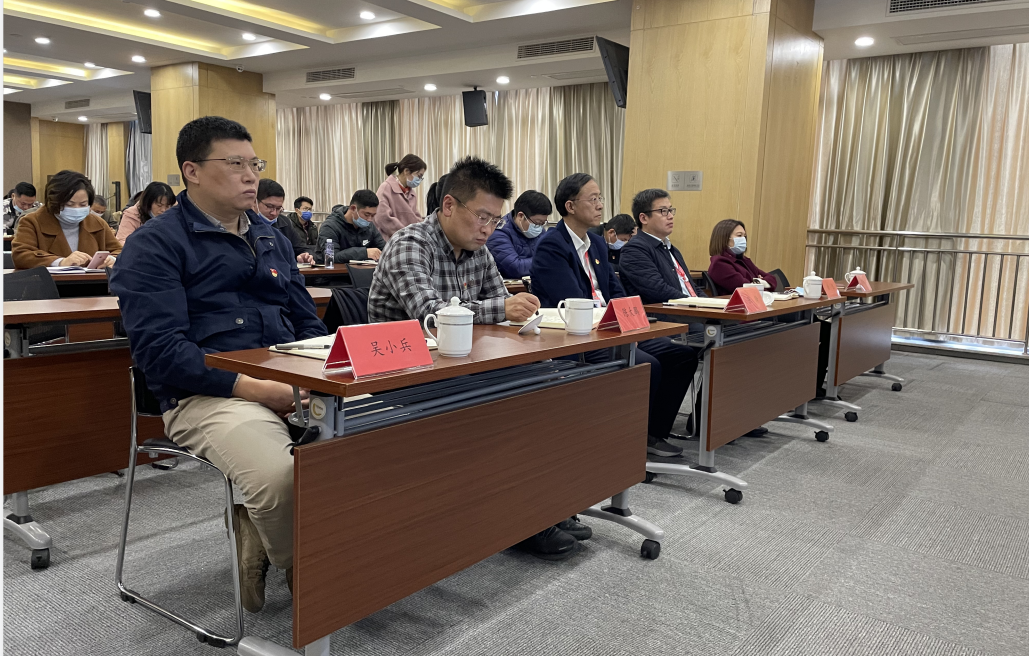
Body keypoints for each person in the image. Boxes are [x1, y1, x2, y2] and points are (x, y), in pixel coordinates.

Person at [109, 116, 326, 613]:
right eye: (235, 164)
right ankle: (308, 567)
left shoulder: (272, 237)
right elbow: (161, 352)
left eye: (255, 164)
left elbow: (305, 322)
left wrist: (319, 372)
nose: (251, 176)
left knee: (384, 436)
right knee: (282, 475)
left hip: (289, 378)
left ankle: (270, 528)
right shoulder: (155, 244)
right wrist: (255, 388)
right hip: (205, 394)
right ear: (192, 171)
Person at [368, 156, 592, 561]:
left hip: (467, 365)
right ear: (449, 205)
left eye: (495, 220)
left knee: (550, 382)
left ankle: (545, 501)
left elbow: (502, 309)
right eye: (482, 217)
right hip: (409, 374)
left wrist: (517, 311)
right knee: (511, 403)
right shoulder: (410, 244)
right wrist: (502, 308)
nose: (489, 228)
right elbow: (431, 315)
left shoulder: (478, 251)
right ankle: (522, 517)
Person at [530, 173, 698, 459]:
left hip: (611, 329)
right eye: (593, 199)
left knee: (681, 356)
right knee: (646, 364)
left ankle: (651, 434)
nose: (600, 205)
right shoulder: (552, 245)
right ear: (570, 206)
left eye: (601, 198)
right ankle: (625, 444)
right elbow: (574, 301)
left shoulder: (596, 244)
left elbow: (616, 292)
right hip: (579, 337)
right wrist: (618, 327)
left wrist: (629, 323)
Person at [11, 170, 121, 269]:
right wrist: (60, 262)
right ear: (54, 202)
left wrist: (112, 259)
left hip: (93, 283)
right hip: (50, 283)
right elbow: (20, 255)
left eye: (83, 204)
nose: (76, 209)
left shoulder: (97, 223)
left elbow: (119, 251)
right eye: (69, 204)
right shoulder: (32, 222)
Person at [618, 189, 705, 305]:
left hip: (689, 309)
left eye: (670, 210)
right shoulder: (634, 250)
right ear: (644, 218)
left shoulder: (672, 249)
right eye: (663, 211)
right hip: (667, 312)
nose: (670, 216)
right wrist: (695, 304)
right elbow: (658, 290)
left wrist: (710, 304)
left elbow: (690, 286)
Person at [485, 190, 551, 279]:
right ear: (521, 216)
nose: (539, 227)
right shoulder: (498, 232)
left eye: (542, 223)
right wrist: (546, 261)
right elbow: (516, 268)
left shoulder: (538, 229)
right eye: (537, 222)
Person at [708, 219, 777, 293]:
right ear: (724, 238)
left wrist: (758, 282)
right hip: (736, 300)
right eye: (739, 235)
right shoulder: (719, 264)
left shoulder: (744, 260)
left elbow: (773, 279)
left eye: (744, 236)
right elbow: (747, 289)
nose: (743, 239)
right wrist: (762, 283)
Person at [316, 190, 385, 264]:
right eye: (366, 214)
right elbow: (331, 257)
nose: (370, 219)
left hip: (362, 270)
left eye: (373, 215)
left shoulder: (369, 226)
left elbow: (384, 249)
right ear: (353, 208)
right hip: (334, 270)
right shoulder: (330, 227)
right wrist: (364, 253)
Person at [256, 179, 314, 263]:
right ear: (255, 202)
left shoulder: (285, 223)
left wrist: (305, 255)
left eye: (278, 208)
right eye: (269, 206)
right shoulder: (244, 224)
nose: (274, 213)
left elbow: (301, 247)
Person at [374, 154, 426, 240]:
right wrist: (405, 233)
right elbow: (382, 217)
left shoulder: (412, 194)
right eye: (419, 176)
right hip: (389, 240)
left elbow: (415, 217)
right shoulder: (386, 188)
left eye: (421, 177)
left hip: (409, 239)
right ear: (406, 171)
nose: (419, 180)